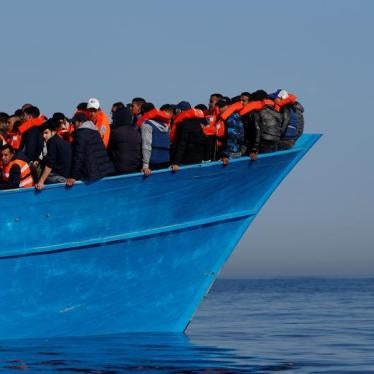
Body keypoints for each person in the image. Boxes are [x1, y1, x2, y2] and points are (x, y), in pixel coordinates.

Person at [66, 112, 115, 186]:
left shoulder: (80, 134)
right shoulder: (94, 131)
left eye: (74, 122)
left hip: (92, 173)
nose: (73, 125)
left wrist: (73, 177)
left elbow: (79, 156)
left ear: (80, 122)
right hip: (104, 171)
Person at [35, 119, 72, 190]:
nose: (44, 136)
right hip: (66, 176)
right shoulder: (63, 142)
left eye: (46, 133)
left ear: (53, 132)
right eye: (42, 133)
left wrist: (41, 182)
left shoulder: (52, 141)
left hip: (58, 178)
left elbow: (50, 164)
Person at [170, 101, 207, 171]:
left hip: (187, 160)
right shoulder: (197, 122)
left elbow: (182, 143)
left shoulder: (183, 124)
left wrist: (176, 162)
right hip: (199, 158)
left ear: (179, 111)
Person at [138, 103, 170, 176]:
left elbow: (146, 145)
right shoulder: (165, 125)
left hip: (153, 163)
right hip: (166, 161)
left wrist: (145, 165)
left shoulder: (146, 124)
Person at [108, 106, 141, 174]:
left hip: (119, 168)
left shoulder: (115, 132)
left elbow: (109, 149)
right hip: (135, 167)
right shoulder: (136, 132)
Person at [215, 97, 245, 165]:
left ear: (228, 106)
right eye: (219, 106)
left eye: (222, 106)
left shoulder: (232, 118)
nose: (220, 108)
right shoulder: (223, 117)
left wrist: (226, 155)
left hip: (232, 152)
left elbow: (233, 137)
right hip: (227, 151)